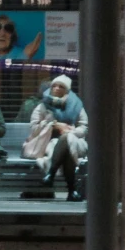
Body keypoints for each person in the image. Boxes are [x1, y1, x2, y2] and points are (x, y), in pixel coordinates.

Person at [28, 73, 88, 203]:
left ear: (67, 90)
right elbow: (33, 128)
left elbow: (84, 127)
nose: (56, 88)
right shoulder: (43, 105)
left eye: (61, 86)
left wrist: (70, 131)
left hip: (77, 141)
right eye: (54, 85)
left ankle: (51, 173)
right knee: (67, 150)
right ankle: (72, 191)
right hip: (49, 143)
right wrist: (52, 125)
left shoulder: (76, 105)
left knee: (67, 139)